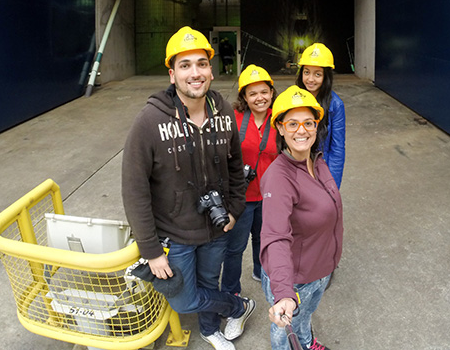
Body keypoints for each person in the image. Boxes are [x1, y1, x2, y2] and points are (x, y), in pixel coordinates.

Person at [122, 26, 255, 350]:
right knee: (183, 300)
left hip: (216, 229)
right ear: (172, 74)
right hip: (175, 235)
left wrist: (234, 210)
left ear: (211, 69)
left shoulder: (224, 111)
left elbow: (236, 166)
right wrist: (151, 251)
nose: (195, 73)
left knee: (209, 281)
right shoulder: (149, 122)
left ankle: (211, 330)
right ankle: (238, 307)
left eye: (201, 63)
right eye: (185, 65)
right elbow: (134, 189)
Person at [260, 86, 343, 350]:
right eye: (292, 123)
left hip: (318, 270)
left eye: (308, 123)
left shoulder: (316, 160)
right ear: (280, 128)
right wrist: (284, 293)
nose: (301, 130)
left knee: (305, 316)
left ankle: (307, 343)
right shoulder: (279, 177)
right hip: (296, 278)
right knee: (285, 332)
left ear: (317, 126)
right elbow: (275, 237)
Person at [222, 65, 278, 296]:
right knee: (234, 248)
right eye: (252, 93)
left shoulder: (280, 118)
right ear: (244, 96)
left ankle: (260, 270)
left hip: (269, 195)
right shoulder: (233, 119)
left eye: (264, 91)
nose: (259, 98)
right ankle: (230, 290)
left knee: (262, 240)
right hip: (240, 197)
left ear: (272, 92)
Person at [295, 43, 346, 188]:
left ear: (326, 76)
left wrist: (332, 185)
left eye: (317, 74)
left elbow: (337, 149)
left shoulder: (335, 105)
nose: (310, 79)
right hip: (296, 169)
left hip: (321, 171)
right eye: (306, 72)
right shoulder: (294, 100)